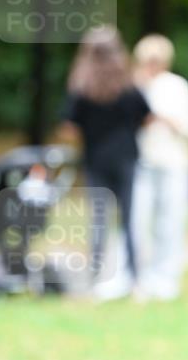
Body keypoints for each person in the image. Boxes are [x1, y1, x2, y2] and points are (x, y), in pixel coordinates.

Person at [61, 24, 151, 298]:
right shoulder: (128, 85)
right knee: (129, 219)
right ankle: (136, 281)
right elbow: (146, 116)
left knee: (98, 221)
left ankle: (95, 280)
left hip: (95, 160)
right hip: (126, 158)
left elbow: (68, 128)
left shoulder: (81, 88)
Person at [132, 35, 188, 301]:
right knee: (139, 222)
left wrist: (163, 119)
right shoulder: (135, 85)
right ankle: (141, 278)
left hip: (174, 164)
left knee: (171, 223)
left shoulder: (176, 86)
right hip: (142, 163)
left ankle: (167, 280)